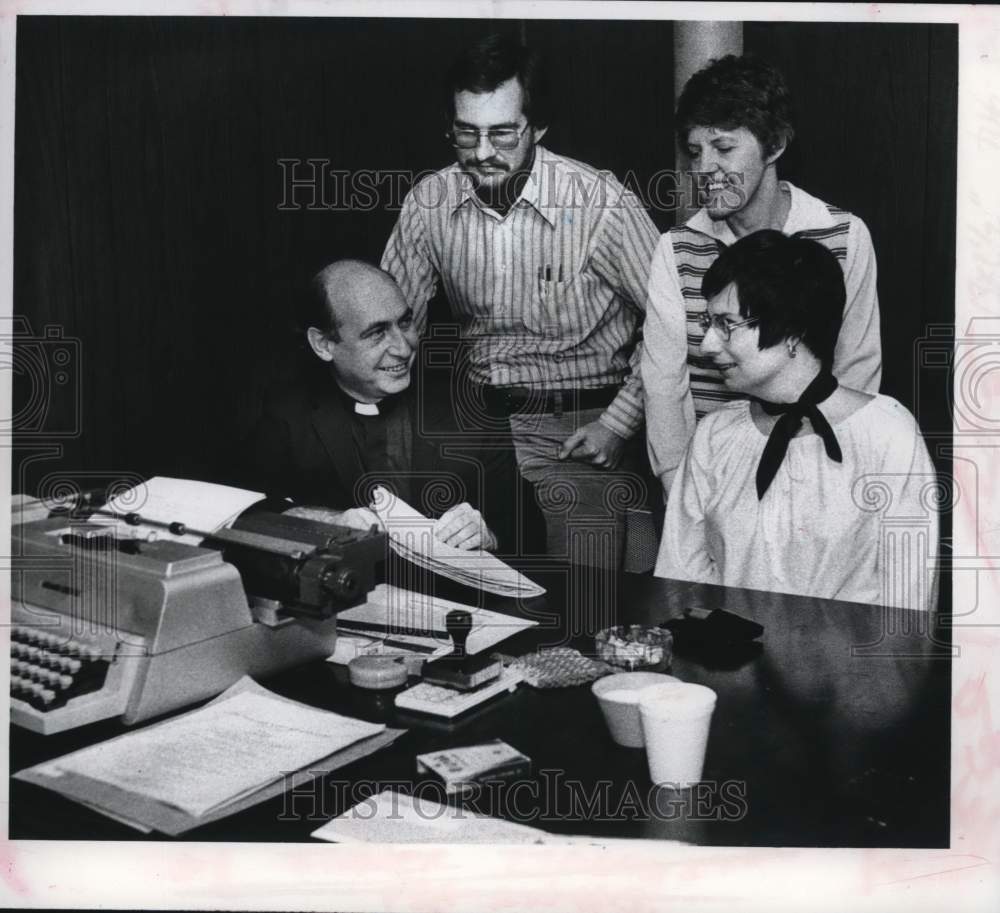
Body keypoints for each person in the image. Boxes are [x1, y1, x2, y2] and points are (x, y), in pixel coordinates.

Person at [381, 32, 690, 568]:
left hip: (578, 433)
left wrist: (619, 423)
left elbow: (673, 324)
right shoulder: (429, 203)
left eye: (502, 133)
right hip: (475, 431)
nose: (481, 152)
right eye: (466, 133)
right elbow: (390, 327)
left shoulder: (601, 204)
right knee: (430, 575)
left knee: (579, 606)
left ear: (538, 127)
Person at [655, 231, 937, 612]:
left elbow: (909, 603)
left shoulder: (887, 434)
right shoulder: (715, 435)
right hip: (722, 666)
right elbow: (679, 581)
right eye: (708, 322)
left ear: (792, 330)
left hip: (847, 671)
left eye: (726, 323)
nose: (706, 344)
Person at [643, 54, 881, 497]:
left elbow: (856, 371)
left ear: (774, 146)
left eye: (724, 148)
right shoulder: (674, 250)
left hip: (816, 472)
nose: (704, 169)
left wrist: (822, 483)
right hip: (707, 479)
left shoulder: (844, 235)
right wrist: (683, 499)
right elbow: (663, 388)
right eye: (695, 152)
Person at [240, 260, 535, 553]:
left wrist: (490, 535)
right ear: (324, 345)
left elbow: (529, 529)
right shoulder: (288, 413)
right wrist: (329, 521)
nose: (404, 348)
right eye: (377, 333)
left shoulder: (470, 405)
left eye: (405, 322)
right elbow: (248, 515)